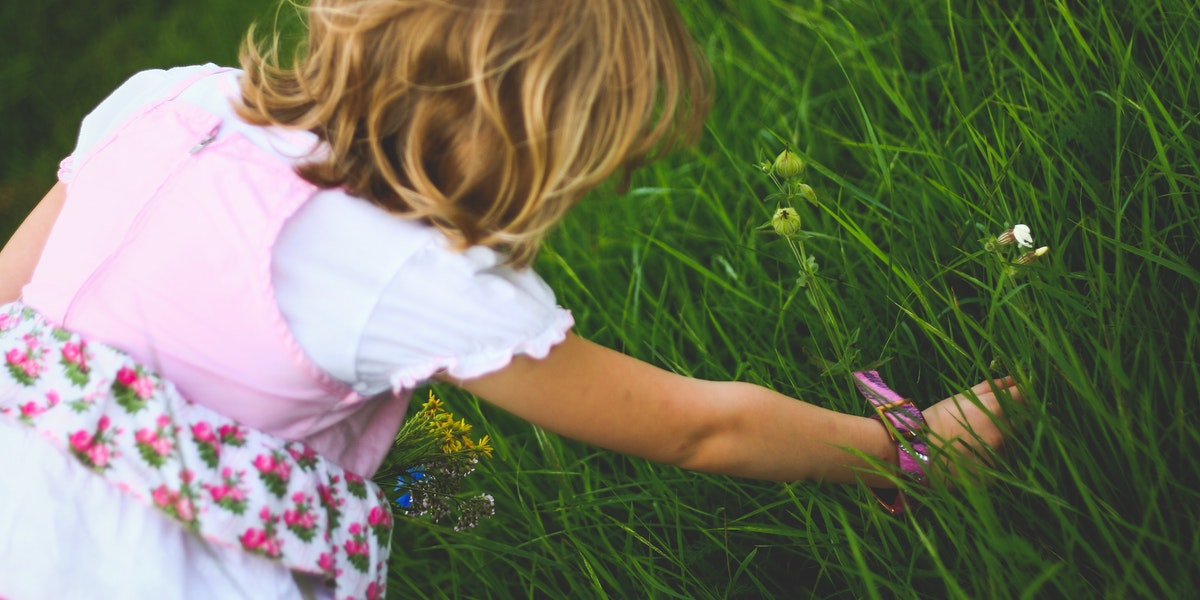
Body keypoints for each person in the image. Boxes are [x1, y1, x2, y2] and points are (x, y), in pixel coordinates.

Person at [0, 1, 1023, 598]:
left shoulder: (167, 97)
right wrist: (909, 448)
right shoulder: (408, 270)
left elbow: (13, 299)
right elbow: (695, 429)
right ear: (540, 141)